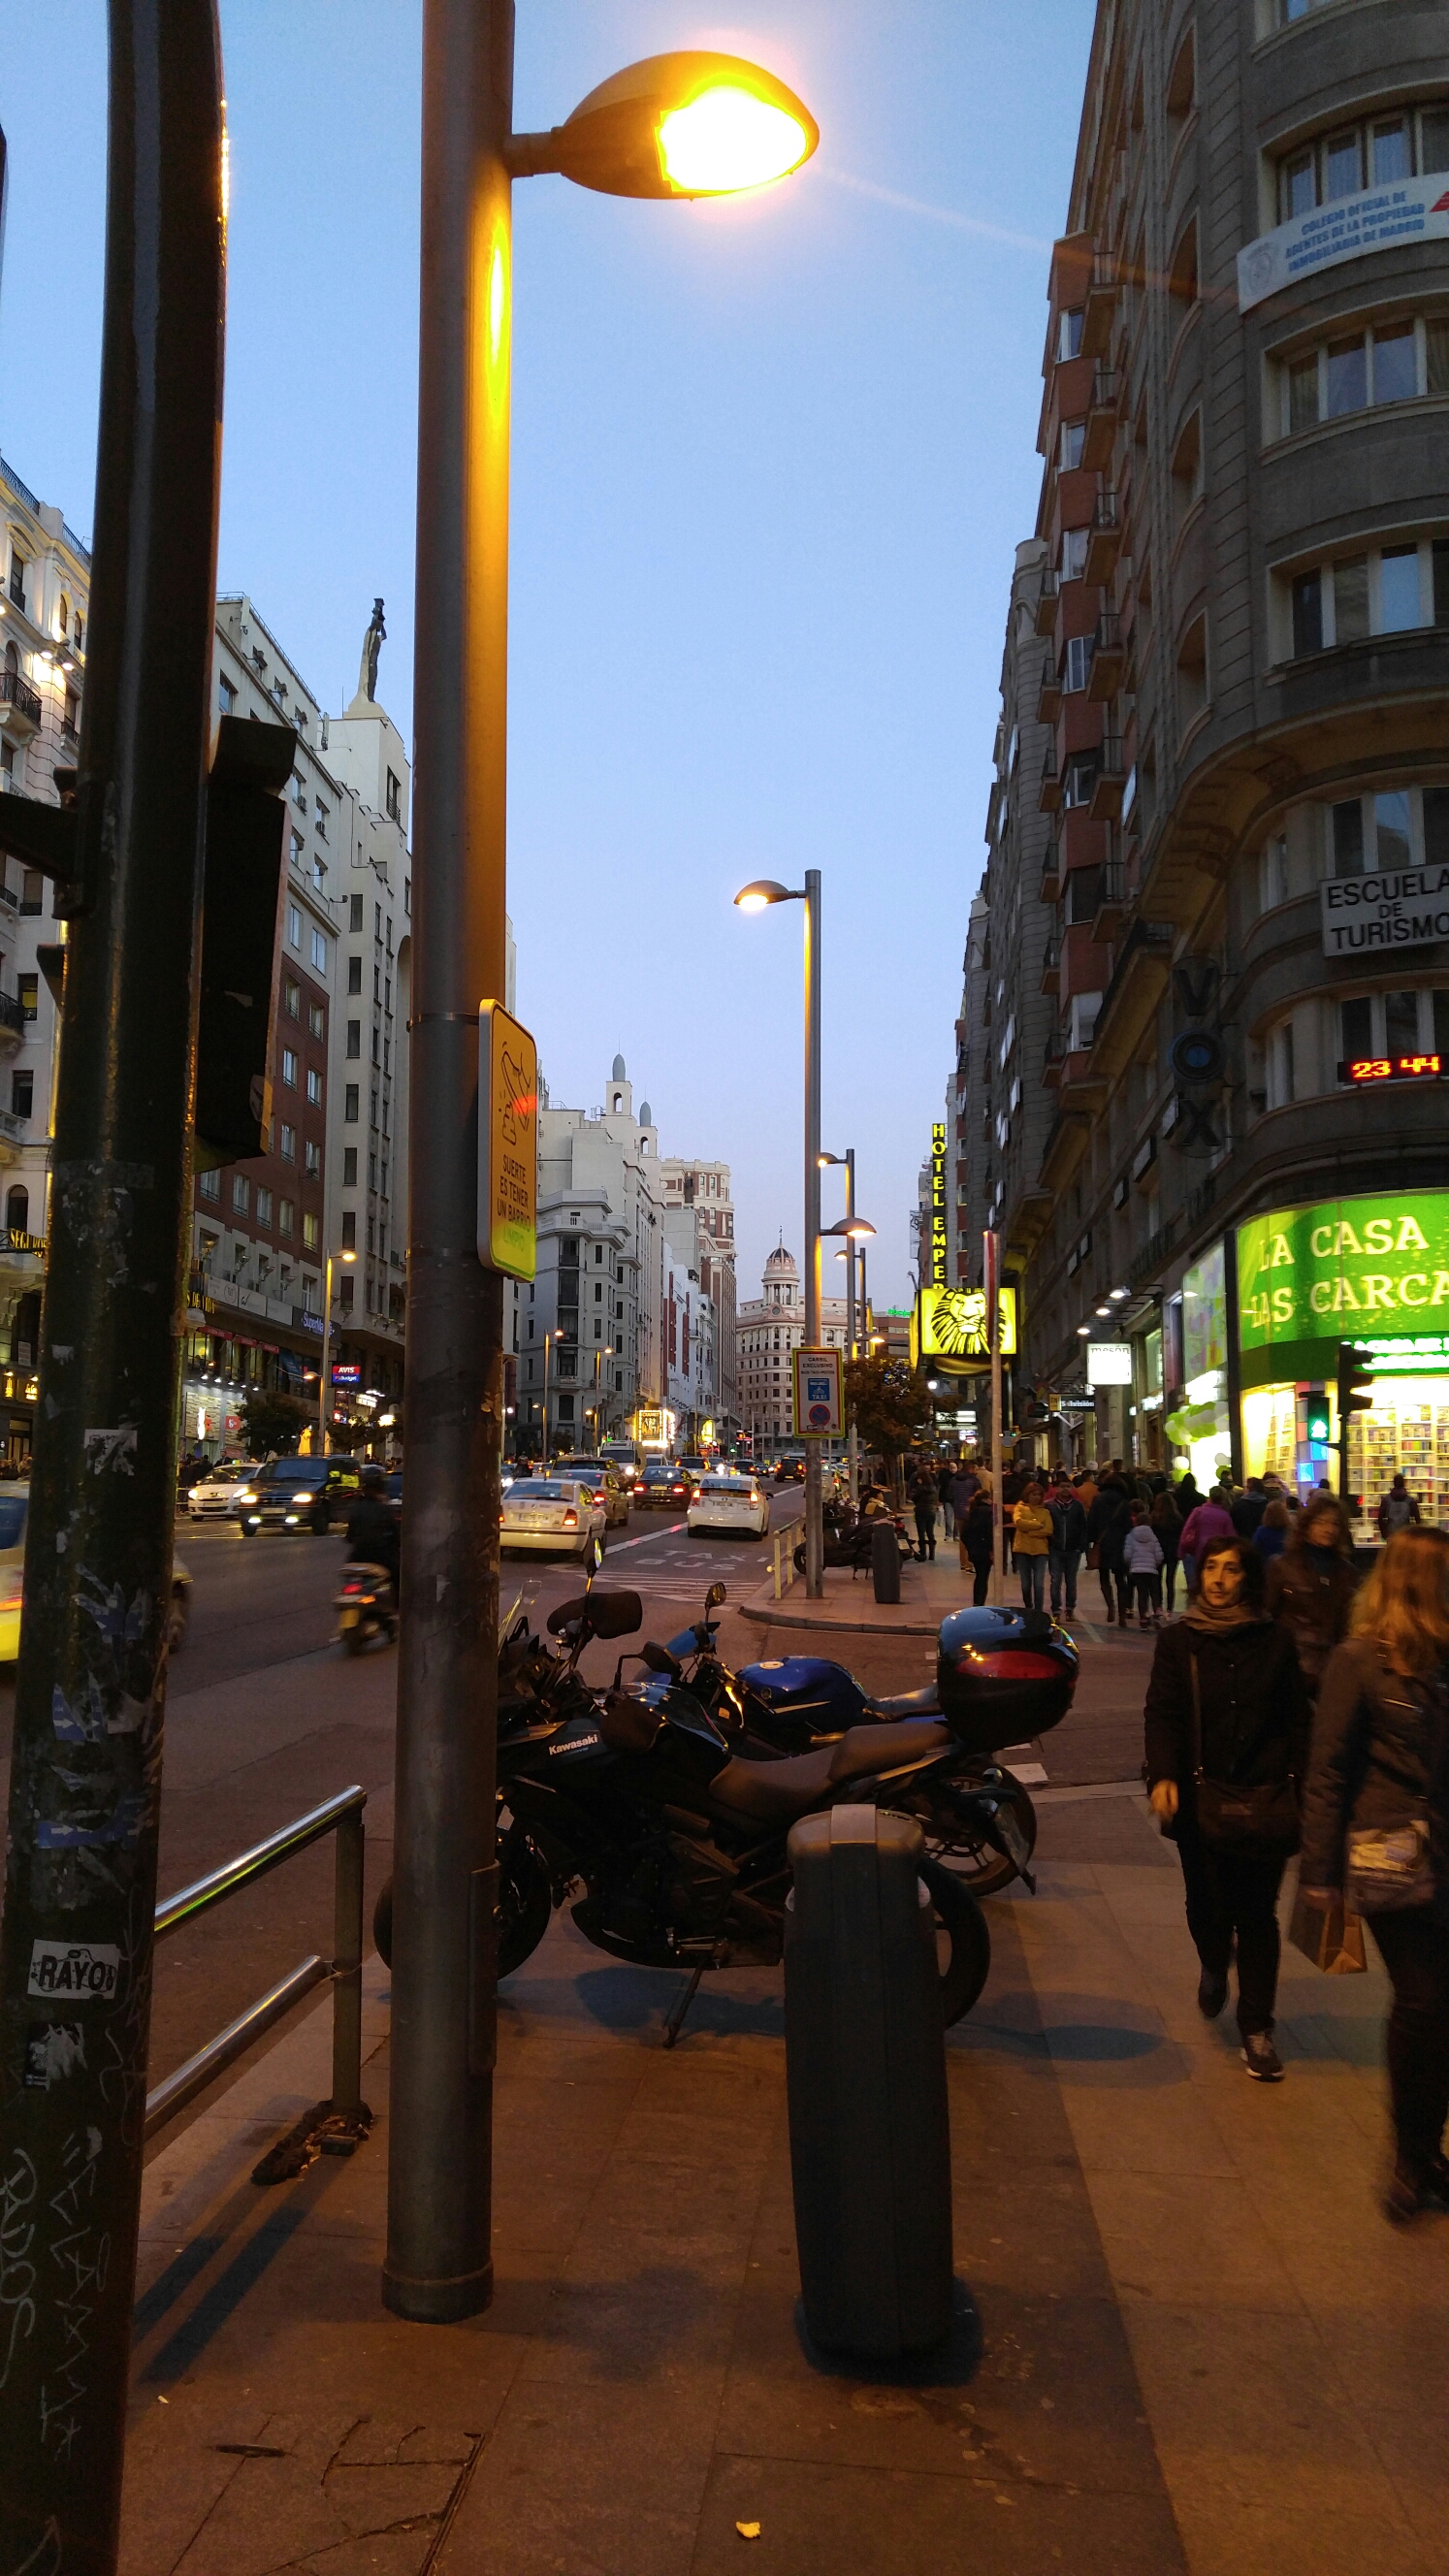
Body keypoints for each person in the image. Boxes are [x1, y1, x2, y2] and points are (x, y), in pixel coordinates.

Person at [1299, 1528, 1449, 2220]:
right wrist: (1320, 1873)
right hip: (1393, 1857)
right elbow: (1328, 1771)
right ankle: (1411, 2159)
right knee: (1422, 2000)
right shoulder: (1360, 1660)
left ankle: (1426, 2149)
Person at [1144, 1536, 1310, 2079]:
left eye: (1231, 1569)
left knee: (1258, 1915)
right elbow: (1163, 1712)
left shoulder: (1276, 1640)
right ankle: (1214, 1961)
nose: (1218, 1579)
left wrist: (1301, 1784)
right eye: (1211, 1568)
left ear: (1248, 1578)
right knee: (1207, 1906)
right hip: (1200, 1798)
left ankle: (1257, 2028)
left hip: (1266, 1797)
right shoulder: (1179, 1641)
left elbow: (1297, 1719)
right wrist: (1164, 1775)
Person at [1264, 1493, 1359, 1696]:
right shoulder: (1282, 1566)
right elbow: (1267, 1615)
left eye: (1335, 1524)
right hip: (1292, 1664)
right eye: (1321, 1522)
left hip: (1333, 1666)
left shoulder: (1346, 1572)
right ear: (1306, 1525)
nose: (1329, 1529)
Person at [344, 1465, 400, 1594]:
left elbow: (349, 1537)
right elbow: (396, 1536)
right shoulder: (384, 1510)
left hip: (358, 1556)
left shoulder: (356, 1508)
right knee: (400, 1578)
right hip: (381, 1557)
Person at [1087, 1472, 1133, 1625]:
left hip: (1103, 1543)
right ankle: (1122, 1614)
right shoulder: (1124, 1502)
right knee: (1121, 1580)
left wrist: (1092, 1540)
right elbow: (1128, 1525)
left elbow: (1092, 1521)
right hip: (1120, 1543)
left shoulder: (1098, 1499)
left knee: (1104, 1577)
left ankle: (1110, 1607)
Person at [1177, 1485, 1236, 1595]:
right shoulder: (1224, 1515)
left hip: (1197, 1550)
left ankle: (1195, 1599)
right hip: (1216, 1550)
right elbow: (1231, 1536)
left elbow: (1187, 1530)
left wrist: (1181, 1551)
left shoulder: (1198, 1511)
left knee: (1195, 1579)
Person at [1047, 1474, 1087, 1618]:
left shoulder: (1077, 1506)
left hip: (1073, 1549)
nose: (1065, 1489)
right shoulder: (1050, 1505)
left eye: (1068, 1486)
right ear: (1056, 1488)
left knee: (1071, 1580)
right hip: (1055, 1549)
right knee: (1055, 1580)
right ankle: (1056, 1609)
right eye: (1062, 1486)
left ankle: (1070, 1607)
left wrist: (1081, 1546)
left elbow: (1083, 1527)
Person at [1011, 1479, 1053, 1611]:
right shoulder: (1020, 1507)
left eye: (1039, 1494)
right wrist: (1037, 1525)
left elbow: (1048, 1530)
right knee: (1025, 1584)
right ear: (1027, 1495)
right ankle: (1028, 1608)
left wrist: (1030, 1532)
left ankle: (1038, 1610)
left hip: (1040, 1551)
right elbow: (1019, 1522)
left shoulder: (1045, 1512)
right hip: (1022, 1549)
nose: (1036, 1497)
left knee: (1039, 1584)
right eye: (1033, 1494)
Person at [1122, 1501, 1165, 1628]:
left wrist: (1131, 1564)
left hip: (1137, 1570)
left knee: (1142, 1594)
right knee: (1154, 1591)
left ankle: (1143, 1618)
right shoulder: (1153, 1536)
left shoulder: (1131, 1535)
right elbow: (1159, 1555)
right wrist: (1155, 1564)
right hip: (1151, 1570)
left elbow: (1127, 1554)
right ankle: (1157, 1610)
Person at [1150, 1483, 1183, 1613]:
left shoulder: (1154, 1518)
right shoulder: (1177, 1518)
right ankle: (1169, 1609)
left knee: (1156, 1580)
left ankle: (1158, 1606)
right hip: (1172, 1550)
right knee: (1170, 1581)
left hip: (1158, 1550)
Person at [959, 1488, 995, 1606]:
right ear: (985, 1499)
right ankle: (980, 1602)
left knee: (979, 1576)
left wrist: (970, 1546)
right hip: (985, 1550)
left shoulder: (971, 1512)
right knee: (983, 1578)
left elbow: (964, 1533)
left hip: (974, 1549)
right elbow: (990, 1532)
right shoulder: (989, 1512)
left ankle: (977, 1602)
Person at [909, 1463, 939, 1562]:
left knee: (921, 1532)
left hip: (921, 1511)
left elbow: (913, 1498)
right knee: (930, 1532)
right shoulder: (933, 1488)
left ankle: (923, 1553)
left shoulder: (920, 1489)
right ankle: (932, 1554)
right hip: (931, 1511)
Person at [1379, 1474, 1422, 1541]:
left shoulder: (1386, 1500)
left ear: (1393, 1483)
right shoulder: (1410, 1500)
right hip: (1406, 1534)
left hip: (1391, 1533)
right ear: (1404, 1483)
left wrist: (1384, 1534)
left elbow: (1380, 1518)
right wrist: (1415, 1535)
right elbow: (1418, 1519)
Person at [1254, 1496, 1290, 1562]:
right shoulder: (1289, 1531)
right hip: (1286, 1564)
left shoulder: (1261, 1531)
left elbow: (1256, 1550)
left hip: (1266, 1564)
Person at [1232, 1476, 1269, 1540]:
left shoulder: (1238, 1505)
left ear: (1249, 1489)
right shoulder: (1268, 1505)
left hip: (1243, 1540)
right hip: (1263, 1540)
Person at [937, 1459, 956, 1537]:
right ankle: (948, 1533)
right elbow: (941, 1488)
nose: (952, 1469)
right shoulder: (945, 1476)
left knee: (956, 1518)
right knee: (948, 1517)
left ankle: (955, 1534)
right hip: (947, 1499)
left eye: (954, 1468)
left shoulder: (959, 1477)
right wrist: (940, 1499)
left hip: (956, 1499)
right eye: (951, 1467)